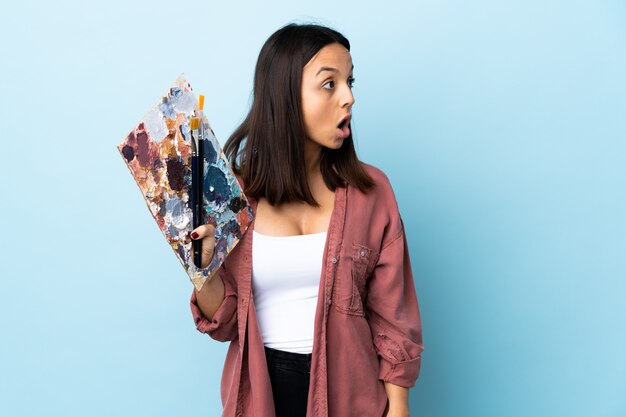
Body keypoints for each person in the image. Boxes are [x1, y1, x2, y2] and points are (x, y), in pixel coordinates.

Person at [189, 23, 423, 417]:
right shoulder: (234, 197)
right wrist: (201, 268)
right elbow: (227, 324)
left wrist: (398, 409)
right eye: (329, 84)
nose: (348, 98)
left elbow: (394, 318)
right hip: (259, 400)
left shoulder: (372, 193)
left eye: (349, 82)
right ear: (285, 96)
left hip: (351, 399)